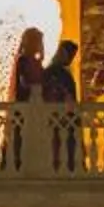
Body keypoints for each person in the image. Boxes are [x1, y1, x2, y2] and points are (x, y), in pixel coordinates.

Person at [38, 37, 81, 170]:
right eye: (70, 55)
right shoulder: (53, 72)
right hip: (57, 119)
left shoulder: (59, 72)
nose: (71, 59)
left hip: (64, 119)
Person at [6, 26, 46, 168]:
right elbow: (25, 82)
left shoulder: (33, 60)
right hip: (25, 104)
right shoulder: (22, 60)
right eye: (38, 42)